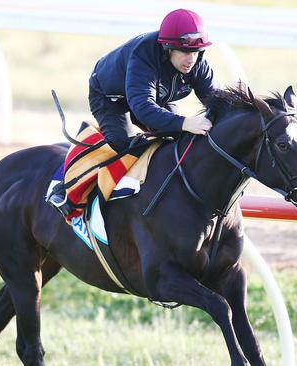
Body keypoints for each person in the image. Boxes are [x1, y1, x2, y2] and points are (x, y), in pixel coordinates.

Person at [47, 8, 218, 214]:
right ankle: (64, 187)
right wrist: (186, 122)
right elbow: (144, 109)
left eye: (196, 52)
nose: (191, 59)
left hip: (151, 98)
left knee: (176, 138)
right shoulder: (144, 54)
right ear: (167, 48)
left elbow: (217, 102)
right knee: (125, 145)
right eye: (184, 52)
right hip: (110, 96)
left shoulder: (197, 63)